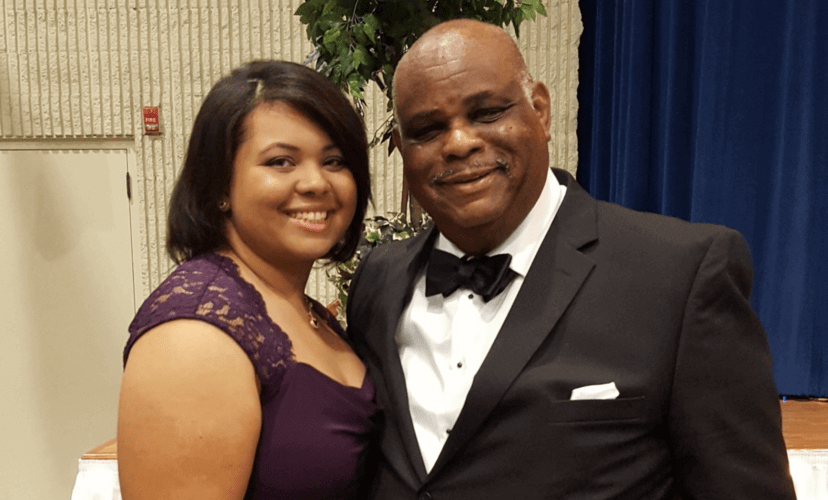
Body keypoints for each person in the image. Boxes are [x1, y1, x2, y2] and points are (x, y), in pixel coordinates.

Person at [346, 19, 796, 499]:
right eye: (428, 129)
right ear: (401, 147)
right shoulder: (378, 279)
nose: (459, 142)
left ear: (540, 109)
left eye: (486, 112)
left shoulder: (680, 273)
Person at [117, 60, 377, 499]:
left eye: (334, 160)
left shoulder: (300, 308)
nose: (315, 182)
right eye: (281, 161)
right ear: (220, 185)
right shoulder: (194, 335)